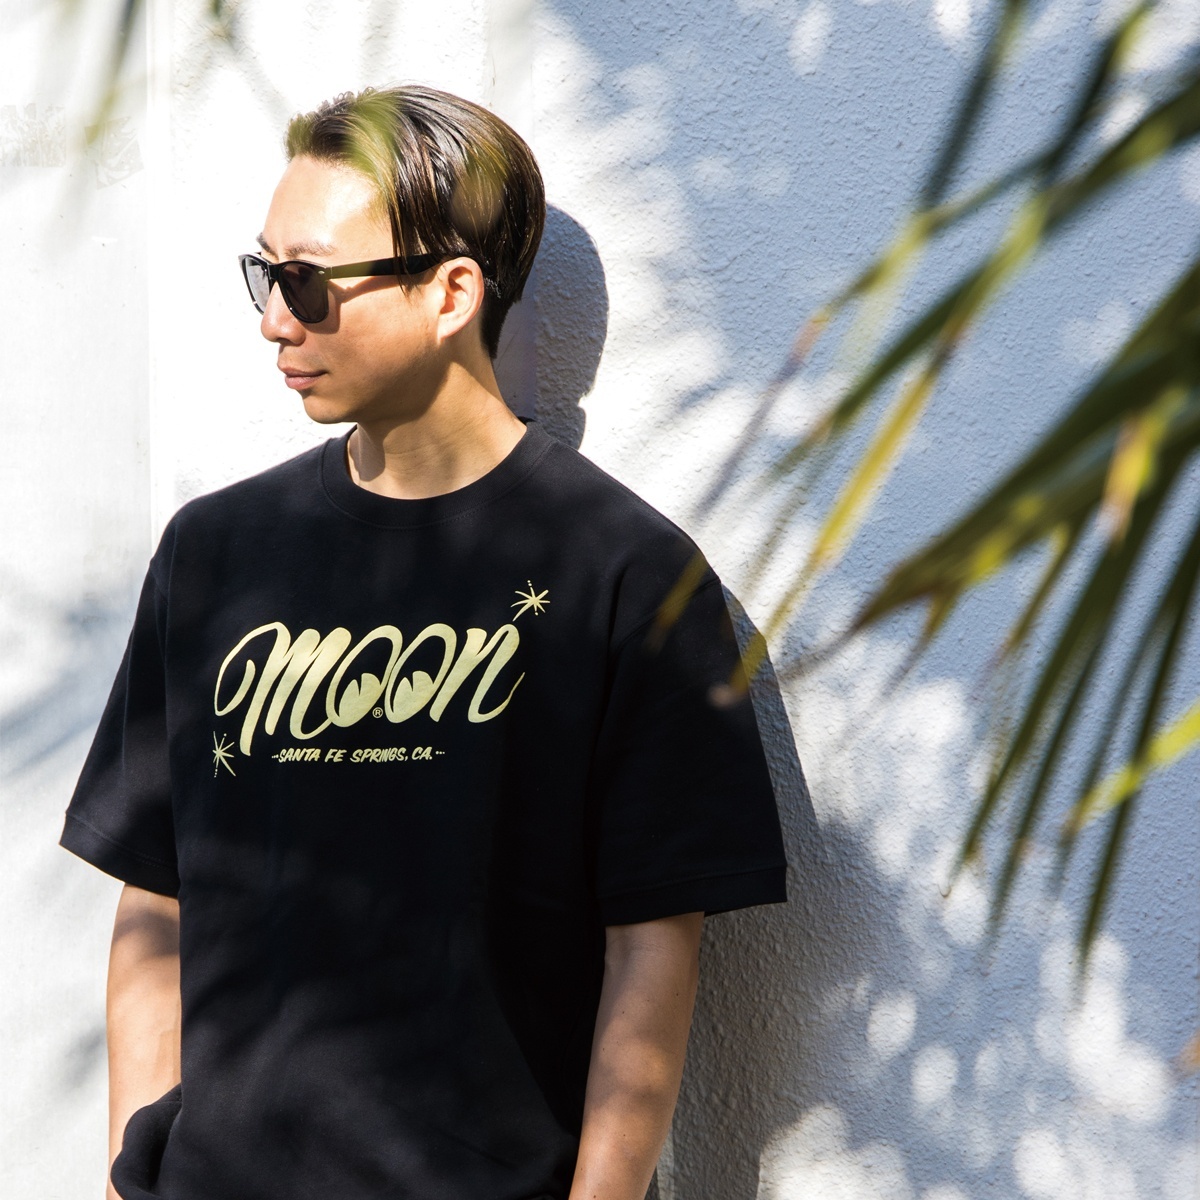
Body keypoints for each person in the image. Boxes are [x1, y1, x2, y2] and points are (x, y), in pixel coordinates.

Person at [59, 85, 787, 1200]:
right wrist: (129, 1180)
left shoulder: (627, 576)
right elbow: (156, 900)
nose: (274, 321)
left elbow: (653, 946)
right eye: (264, 275)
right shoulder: (214, 554)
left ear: (452, 293)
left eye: (308, 282)